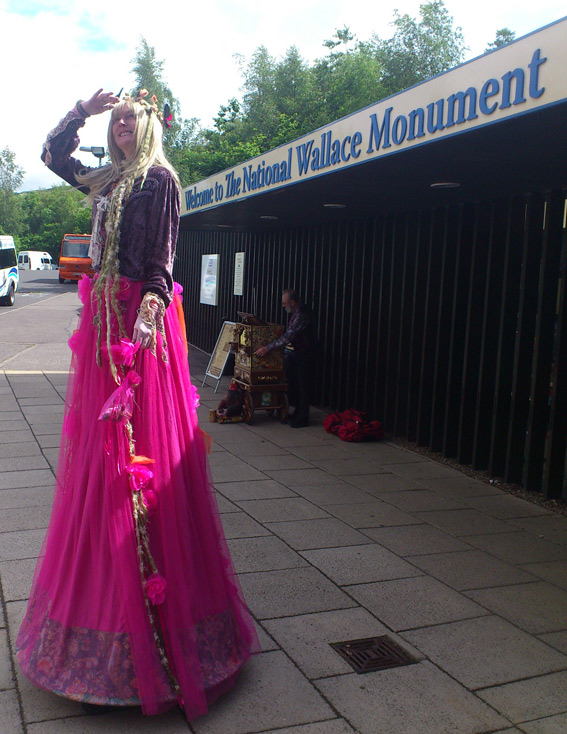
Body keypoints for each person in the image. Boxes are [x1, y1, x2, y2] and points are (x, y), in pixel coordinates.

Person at [16, 89, 259, 720]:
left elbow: (160, 267)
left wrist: (139, 337)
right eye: (116, 118)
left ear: (149, 124)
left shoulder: (158, 181)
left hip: (133, 334)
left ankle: (159, 629)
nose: (122, 125)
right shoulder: (109, 177)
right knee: (98, 469)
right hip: (100, 330)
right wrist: (80, 112)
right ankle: (96, 606)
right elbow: (49, 154)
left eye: (131, 117)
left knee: (137, 467)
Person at [255, 288, 314, 427]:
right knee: (295, 384)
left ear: (292, 302)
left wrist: (267, 348)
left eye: (284, 303)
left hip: (305, 354)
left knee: (303, 386)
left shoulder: (301, 315)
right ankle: (297, 412)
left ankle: (303, 417)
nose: (282, 306)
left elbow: (288, 337)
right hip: (298, 353)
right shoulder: (297, 313)